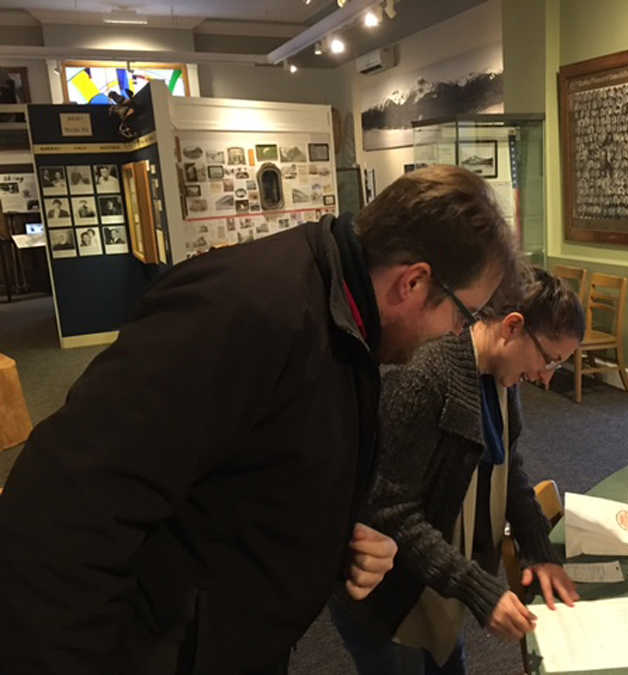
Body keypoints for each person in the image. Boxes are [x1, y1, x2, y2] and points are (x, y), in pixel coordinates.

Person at [0, 165, 520, 675]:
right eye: (463, 313)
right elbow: (59, 514)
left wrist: (335, 537)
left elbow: (252, 464)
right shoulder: (246, 309)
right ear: (413, 282)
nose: (457, 334)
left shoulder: (342, 318)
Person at [330, 268, 585, 674]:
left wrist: (539, 551)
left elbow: (508, 468)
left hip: (437, 590)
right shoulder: (424, 377)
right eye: (549, 359)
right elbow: (391, 515)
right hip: (392, 604)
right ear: (512, 327)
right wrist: (479, 591)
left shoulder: (502, 377)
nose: (547, 378)